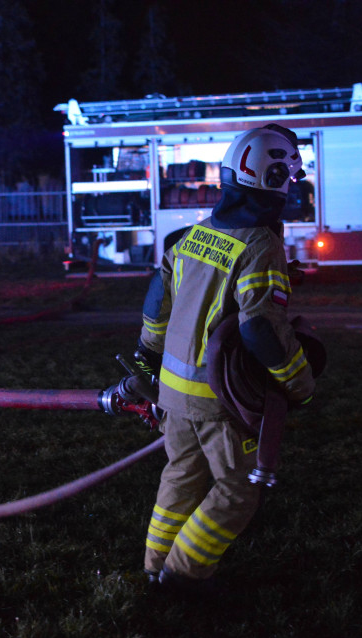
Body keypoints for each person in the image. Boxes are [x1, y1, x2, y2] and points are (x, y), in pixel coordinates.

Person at [134, 124, 316, 592]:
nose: (291, 187)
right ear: (272, 179)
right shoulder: (261, 245)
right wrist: (299, 381)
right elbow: (259, 326)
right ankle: (183, 575)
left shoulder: (190, 237)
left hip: (173, 399)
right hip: (219, 402)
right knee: (238, 489)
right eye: (289, 177)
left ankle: (155, 566)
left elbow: (156, 311)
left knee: (181, 477)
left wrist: (144, 370)